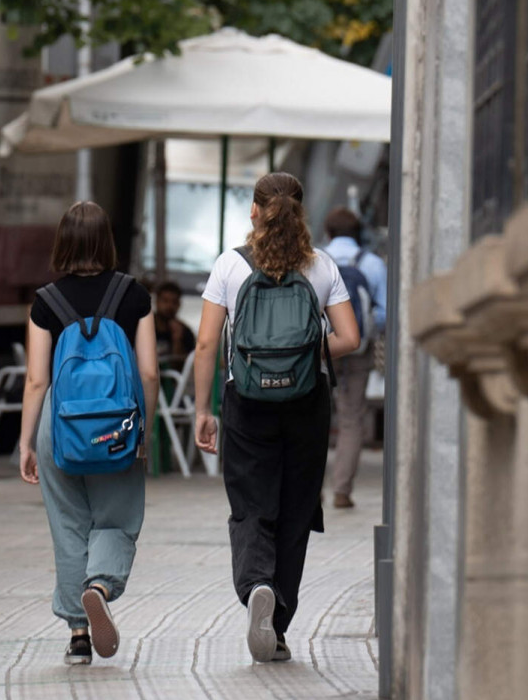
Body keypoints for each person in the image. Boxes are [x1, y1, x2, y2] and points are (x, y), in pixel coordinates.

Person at [193, 173, 359, 664]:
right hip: (308, 401)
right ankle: (279, 626)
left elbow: (206, 343)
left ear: (254, 210)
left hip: (244, 401)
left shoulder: (230, 264)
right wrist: (303, 357)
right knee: (296, 510)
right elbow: (349, 338)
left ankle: (256, 586)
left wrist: (203, 409)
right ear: (299, 211)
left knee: (250, 504)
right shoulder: (321, 265)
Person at [18, 201, 159, 666]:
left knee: (68, 526)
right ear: (107, 241)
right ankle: (99, 585)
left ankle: (78, 634)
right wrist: (144, 430)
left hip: (60, 431)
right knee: (117, 521)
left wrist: (25, 441)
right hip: (117, 429)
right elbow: (149, 372)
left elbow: (37, 380)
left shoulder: (46, 301)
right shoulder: (134, 295)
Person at [322, 207, 387, 509]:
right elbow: (384, 313)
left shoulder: (315, 259)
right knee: (351, 420)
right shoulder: (373, 264)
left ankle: (311, 492)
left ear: (329, 232)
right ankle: (342, 490)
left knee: (315, 416)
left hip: (320, 350)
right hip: (358, 350)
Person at [153, 280, 196, 363]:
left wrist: (177, 340)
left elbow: (185, 367)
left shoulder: (185, 332)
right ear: (157, 302)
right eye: (165, 301)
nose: (169, 306)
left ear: (179, 304)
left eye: (174, 302)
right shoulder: (145, 327)